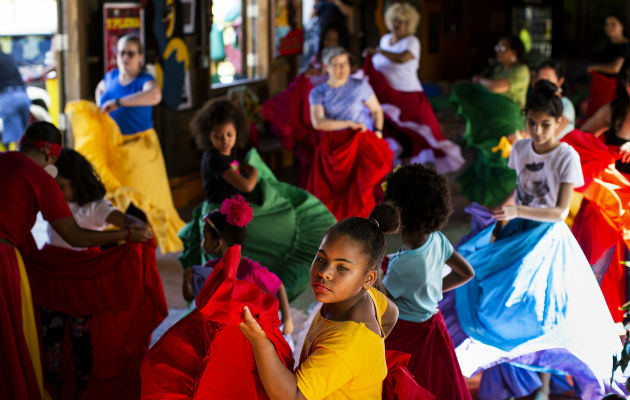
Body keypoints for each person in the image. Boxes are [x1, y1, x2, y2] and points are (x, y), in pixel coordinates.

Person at [441, 81, 624, 399]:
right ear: (524, 120)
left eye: (545, 125)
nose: (538, 131)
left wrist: (516, 210)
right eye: (532, 124)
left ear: (560, 124)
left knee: (544, 316)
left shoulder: (567, 155)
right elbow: (521, 187)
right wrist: (499, 222)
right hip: (515, 228)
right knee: (488, 292)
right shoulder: (521, 149)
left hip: (547, 240)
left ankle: (542, 383)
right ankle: (504, 376)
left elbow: (558, 212)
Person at [0, 121, 152, 400]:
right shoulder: (38, 177)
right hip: (16, 262)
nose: (57, 188)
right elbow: (75, 236)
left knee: (78, 341)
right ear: (50, 157)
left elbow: (108, 218)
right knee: (42, 338)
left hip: (69, 275)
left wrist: (129, 226)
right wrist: (127, 233)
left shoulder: (5, 161)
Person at [179, 98, 336, 300]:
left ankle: (247, 288)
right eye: (218, 137)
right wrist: (253, 171)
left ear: (237, 132)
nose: (225, 140)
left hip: (230, 207)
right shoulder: (214, 159)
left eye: (229, 135)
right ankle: (220, 294)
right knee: (221, 255)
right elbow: (247, 185)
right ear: (208, 136)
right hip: (218, 212)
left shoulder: (230, 152)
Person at [240, 204, 400, 399]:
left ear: (368, 279)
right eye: (322, 259)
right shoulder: (364, 296)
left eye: (342, 267)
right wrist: (368, 356)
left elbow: (292, 397)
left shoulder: (347, 344)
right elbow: (392, 313)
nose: (324, 273)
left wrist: (260, 341)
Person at [66, 33, 184, 253]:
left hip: (142, 149)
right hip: (115, 149)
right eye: (121, 52)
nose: (125, 57)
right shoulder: (109, 78)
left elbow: (155, 96)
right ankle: (118, 239)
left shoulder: (144, 81)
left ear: (140, 57)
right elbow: (100, 94)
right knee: (113, 193)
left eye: (131, 53)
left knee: (146, 196)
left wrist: (118, 102)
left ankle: (147, 238)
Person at [381, 164, 474, 400]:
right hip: (433, 327)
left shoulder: (402, 266)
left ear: (399, 214)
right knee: (437, 384)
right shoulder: (437, 239)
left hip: (404, 334)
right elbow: (466, 273)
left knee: (402, 386)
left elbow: (380, 302)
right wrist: (432, 289)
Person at [362, 3, 464, 172]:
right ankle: (397, 171)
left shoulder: (412, 41)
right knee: (392, 134)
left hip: (408, 96)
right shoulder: (385, 40)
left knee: (421, 134)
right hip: (386, 97)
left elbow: (403, 58)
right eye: (394, 20)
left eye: (401, 21)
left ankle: (414, 172)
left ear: (409, 24)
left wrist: (379, 52)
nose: (396, 24)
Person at [567, 59, 630, 323]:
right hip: (607, 195)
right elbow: (581, 137)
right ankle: (589, 318)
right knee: (593, 258)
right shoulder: (613, 110)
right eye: (629, 80)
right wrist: (603, 153)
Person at [182, 195, 294, 335]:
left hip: (248, 334)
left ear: (218, 243)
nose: (201, 239)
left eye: (204, 235)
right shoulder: (209, 269)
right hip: (221, 332)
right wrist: (187, 282)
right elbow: (192, 297)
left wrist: (287, 319)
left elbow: (278, 287)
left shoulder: (251, 270)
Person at [307, 46, 393, 220]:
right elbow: (318, 122)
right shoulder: (317, 92)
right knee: (329, 194)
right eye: (336, 65)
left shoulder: (360, 85)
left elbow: (377, 110)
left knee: (361, 190)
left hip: (357, 143)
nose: (342, 69)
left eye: (345, 64)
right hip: (331, 147)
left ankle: (360, 230)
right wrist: (349, 123)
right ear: (326, 68)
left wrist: (377, 132)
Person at [451, 35, 530, 207]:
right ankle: (486, 210)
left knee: (505, 164)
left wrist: (480, 80)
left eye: (503, 48)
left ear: (514, 52)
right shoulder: (499, 69)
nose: (498, 51)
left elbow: (496, 87)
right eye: (497, 47)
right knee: (486, 162)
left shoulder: (521, 70)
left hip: (508, 125)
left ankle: (506, 208)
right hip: (492, 125)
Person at [585, 14, 630, 118]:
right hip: (600, 91)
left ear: (622, 26)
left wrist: (595, 67)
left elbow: (615, 68)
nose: (609, 27)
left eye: (613, 24)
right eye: (607, 24)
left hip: (615, 92)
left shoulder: (627, 46)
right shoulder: (608, 44)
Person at [534, 60, 575, 139]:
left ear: (560, 81)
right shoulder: (537, 104)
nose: (544, 84)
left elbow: (551, 136)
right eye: (541, 80)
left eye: (548, 80)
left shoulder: (566, 105)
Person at [0, 49, 30, 149]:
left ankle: (16, 161)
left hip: (8, 99)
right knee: (23, 135)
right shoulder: (9, 57)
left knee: (16, 138)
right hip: (23, 95)